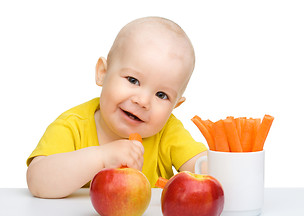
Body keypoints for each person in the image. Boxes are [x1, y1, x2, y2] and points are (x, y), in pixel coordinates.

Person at [26, 16, 207, 199]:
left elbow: (203, 169)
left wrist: (213, 167)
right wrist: (101, 158)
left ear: (175, 106)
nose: (142, 101)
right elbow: (37, 182)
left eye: (161, 95)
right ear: (102, 73)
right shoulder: (73, 126)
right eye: (133, 80)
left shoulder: (167, 132)